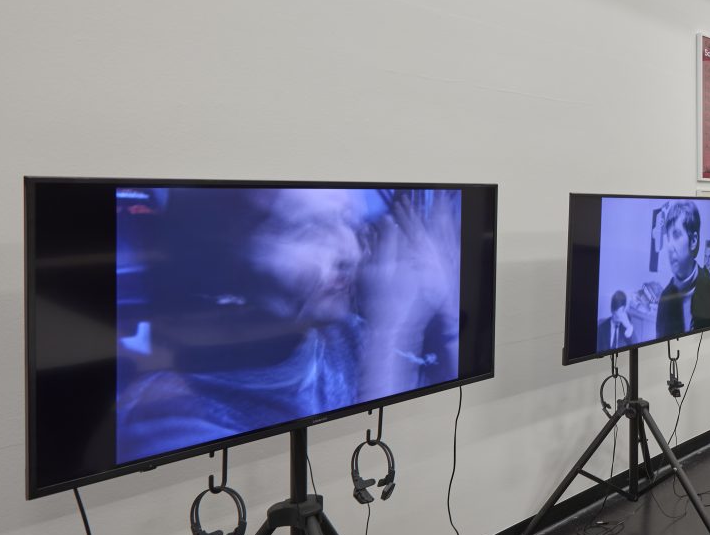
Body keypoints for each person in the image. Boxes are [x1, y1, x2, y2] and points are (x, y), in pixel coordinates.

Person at [115, 187, 459, 463]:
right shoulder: (165, 421)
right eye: (307, 231)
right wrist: (394, 330)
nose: (350, 252)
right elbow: (361, 480)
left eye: (347, 222)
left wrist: (448, 314)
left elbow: (433, 426)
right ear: (217, 266)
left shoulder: (342, 335)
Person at [654, 200, 710, 340]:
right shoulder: (665, 298)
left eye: (676, 235)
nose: (669, 246)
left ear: (693, 241)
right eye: (668, 237)